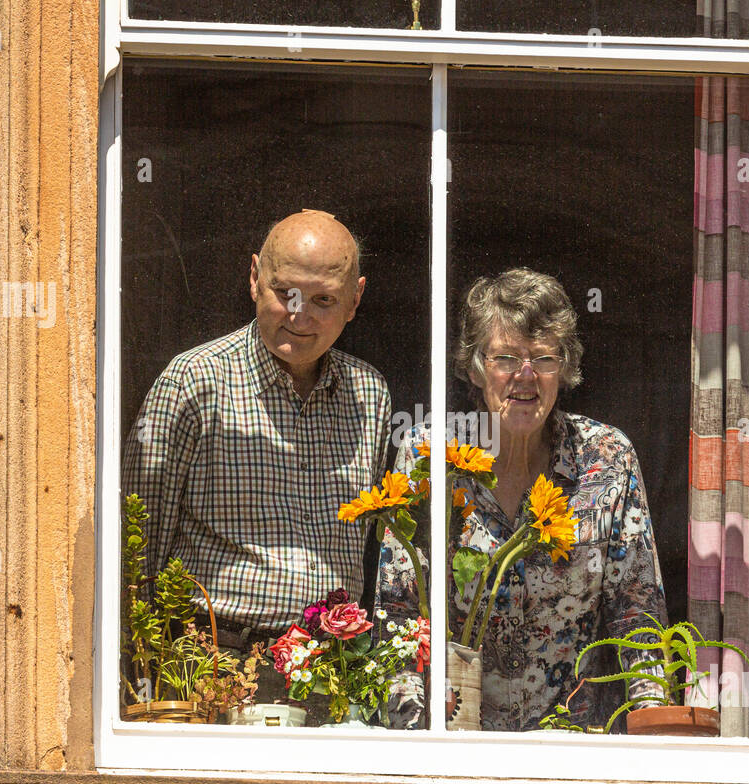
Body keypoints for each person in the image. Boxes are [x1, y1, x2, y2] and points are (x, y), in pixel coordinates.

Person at [377, 267, 667, 732]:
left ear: (565, 368)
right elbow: (399, 614)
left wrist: (657, 746)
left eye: (544, 359)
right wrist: (417, 741)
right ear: (475, 366)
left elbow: (638, 622)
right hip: (456, 751)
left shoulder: (607, 458)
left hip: (578, 750)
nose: (525, 375)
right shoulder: (428, 456)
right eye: (506, 358)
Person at [122, 210, 392, 707]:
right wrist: (140, 685)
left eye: (324, 299)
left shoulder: (369, 394)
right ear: (253, 279)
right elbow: (136, 553)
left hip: (332, 673)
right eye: (284, 292)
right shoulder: (193, 383)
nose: (300, 314)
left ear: (355, 300)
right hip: (213, 665)